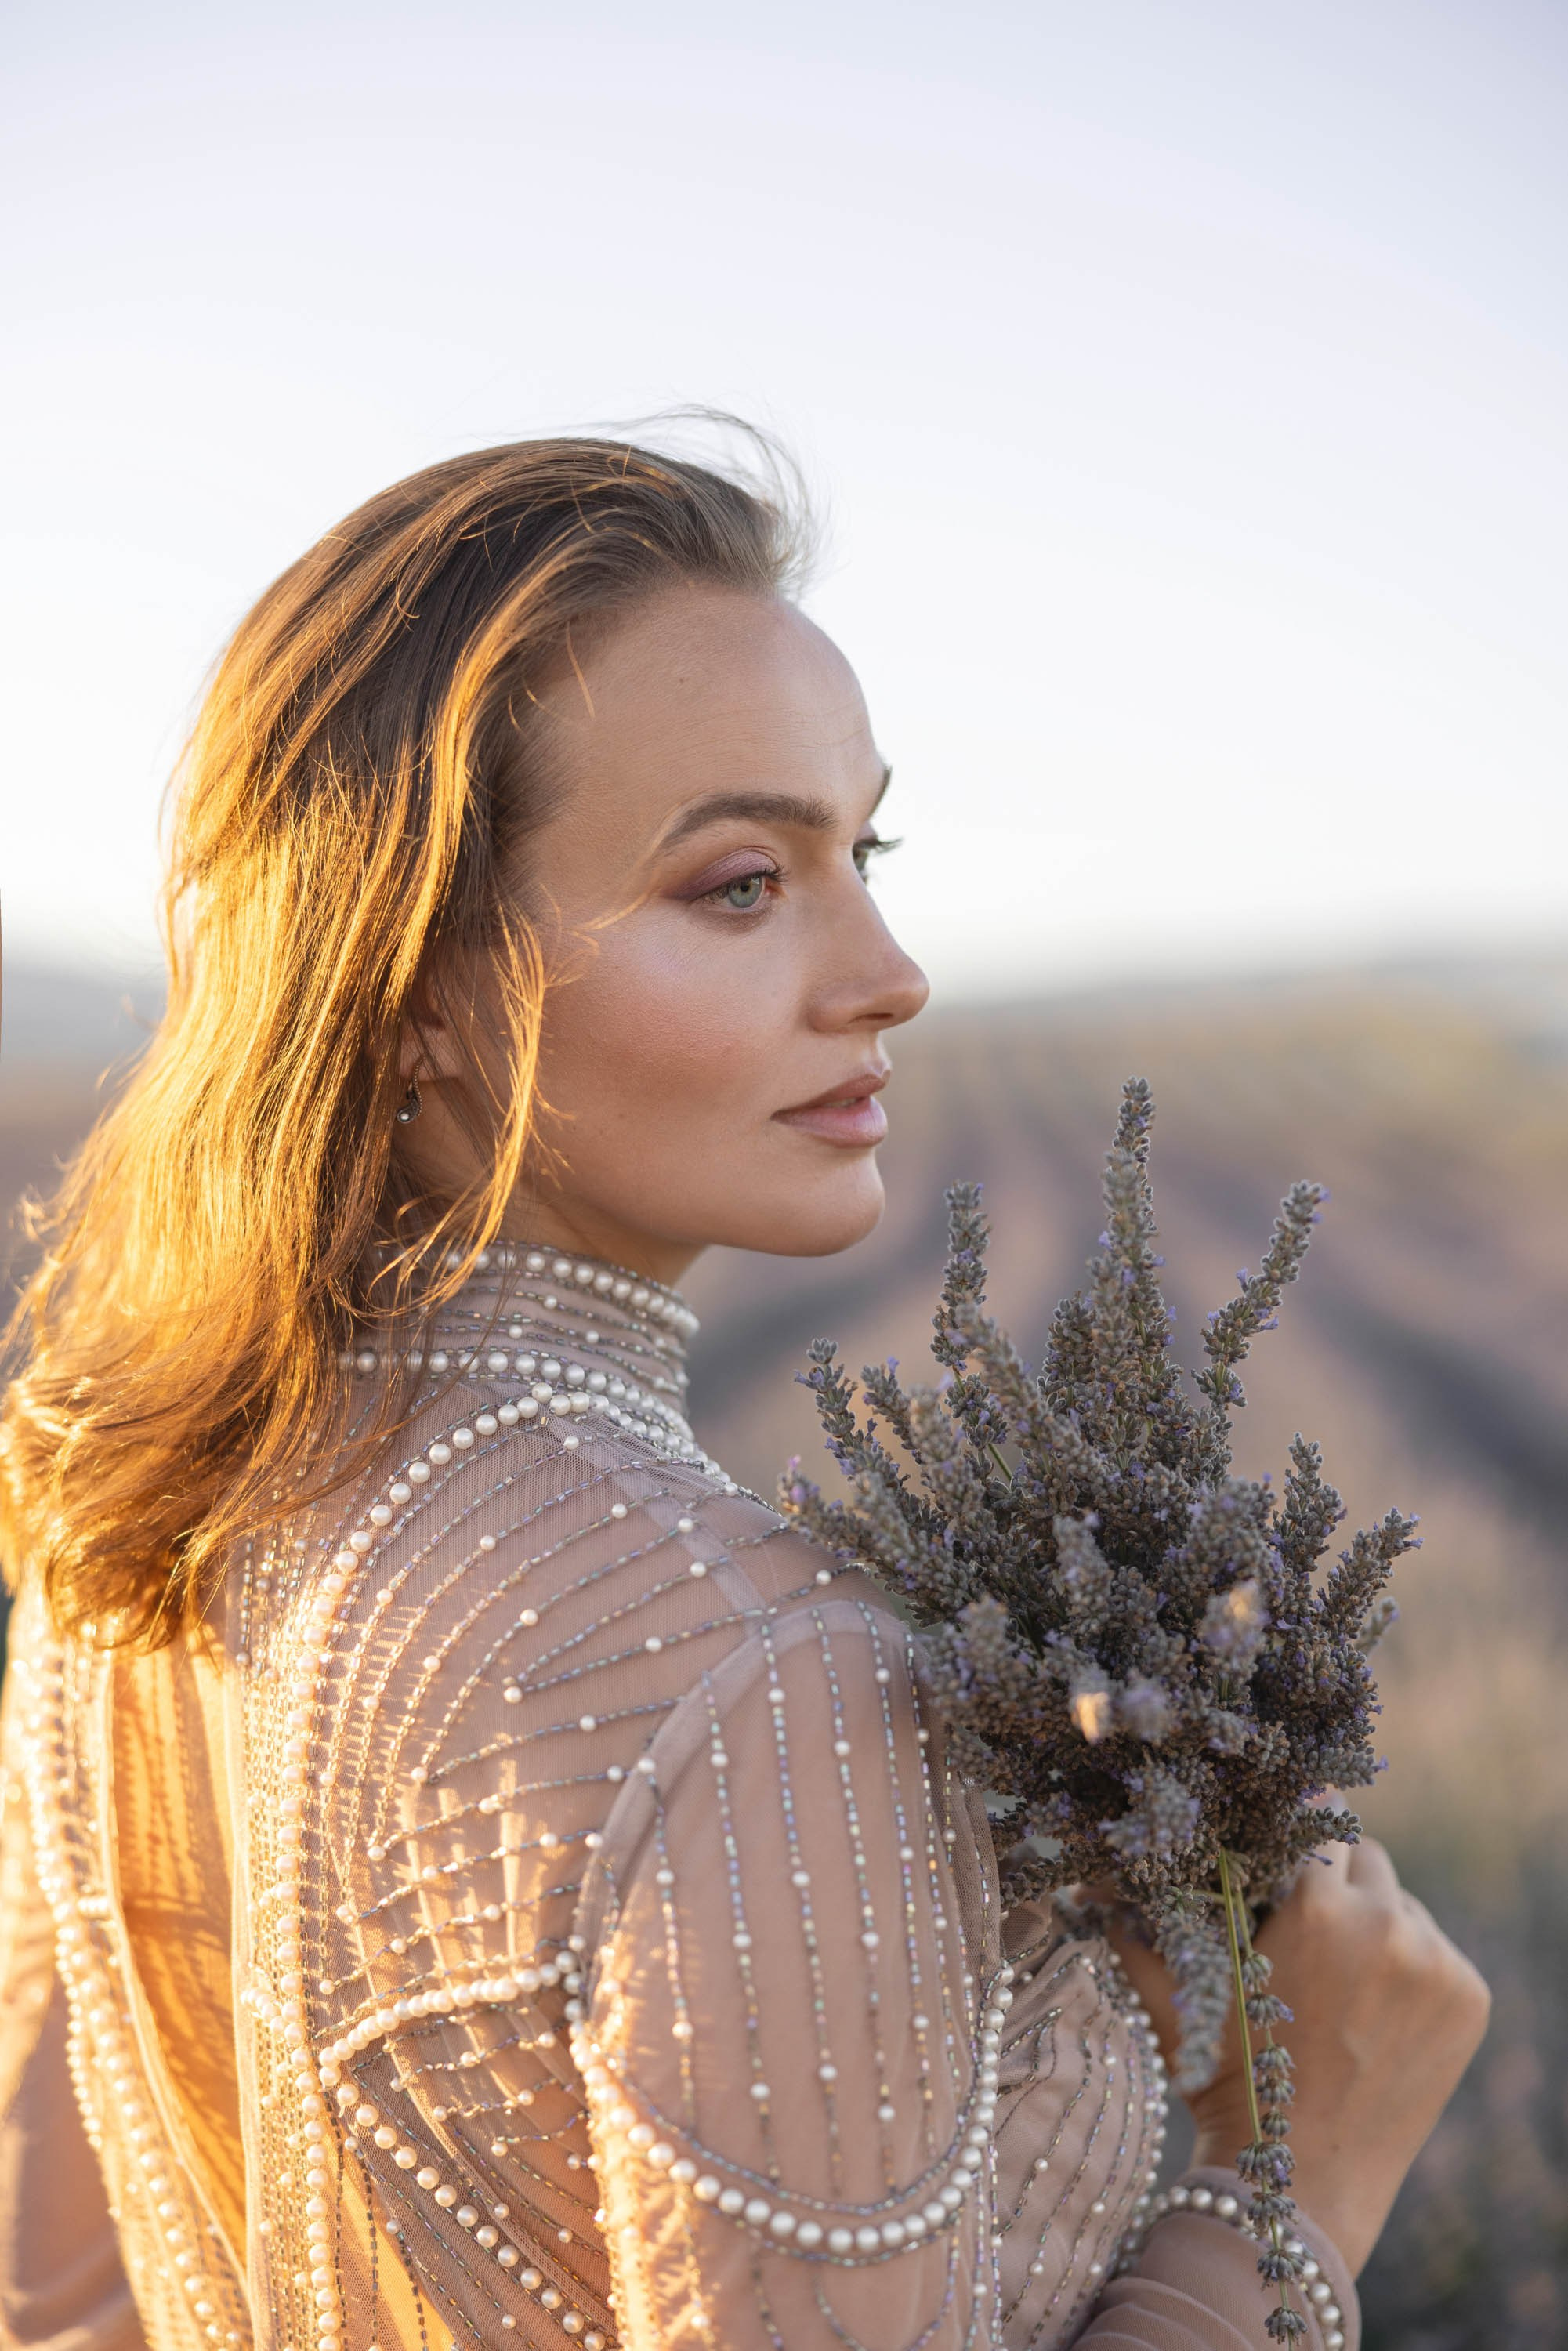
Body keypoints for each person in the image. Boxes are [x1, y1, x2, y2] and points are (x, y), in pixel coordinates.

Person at [0, 433, 1487, 2351]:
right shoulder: (768, 1682)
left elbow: (57, 2305)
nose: (888, 971)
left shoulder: (128, 1537)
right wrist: (1282, 2183)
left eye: (860, 855)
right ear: (421, 982)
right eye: (737, 884)